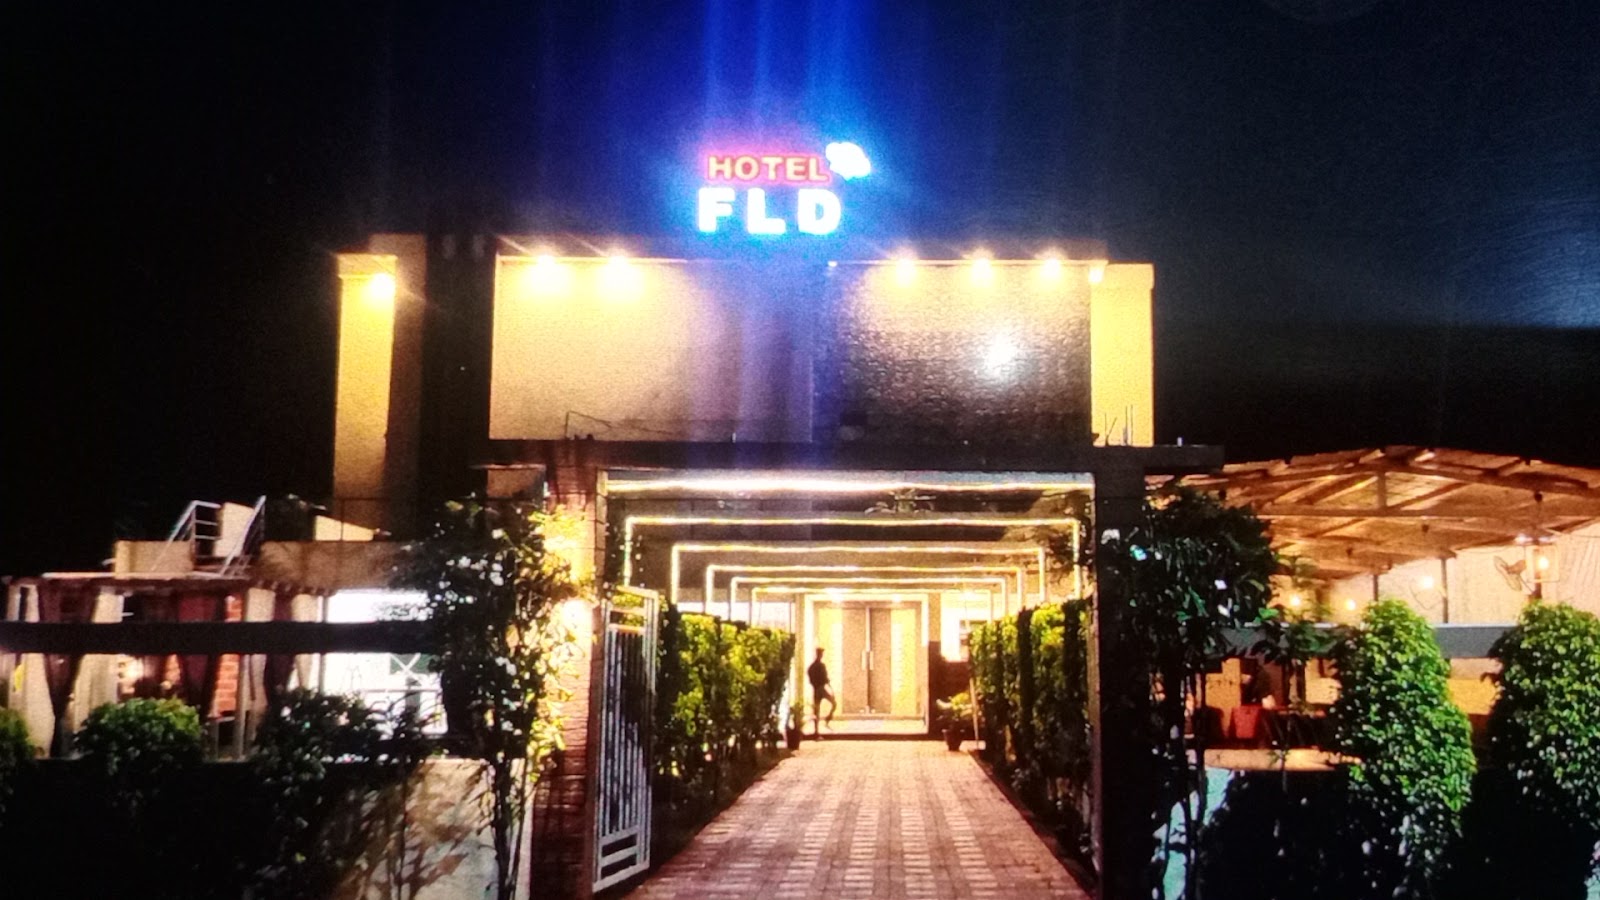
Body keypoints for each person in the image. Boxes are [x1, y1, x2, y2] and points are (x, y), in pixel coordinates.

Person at [806, 648, 836, 733]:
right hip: (821, 689)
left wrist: (814, 684)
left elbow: (810, 676)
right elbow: (825, 678)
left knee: (817, 709)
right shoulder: (820, 666)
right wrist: (830, 687)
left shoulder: (812, 666)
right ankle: (826, 721)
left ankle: (816, 730)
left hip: (817, 689)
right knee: (833, 704)